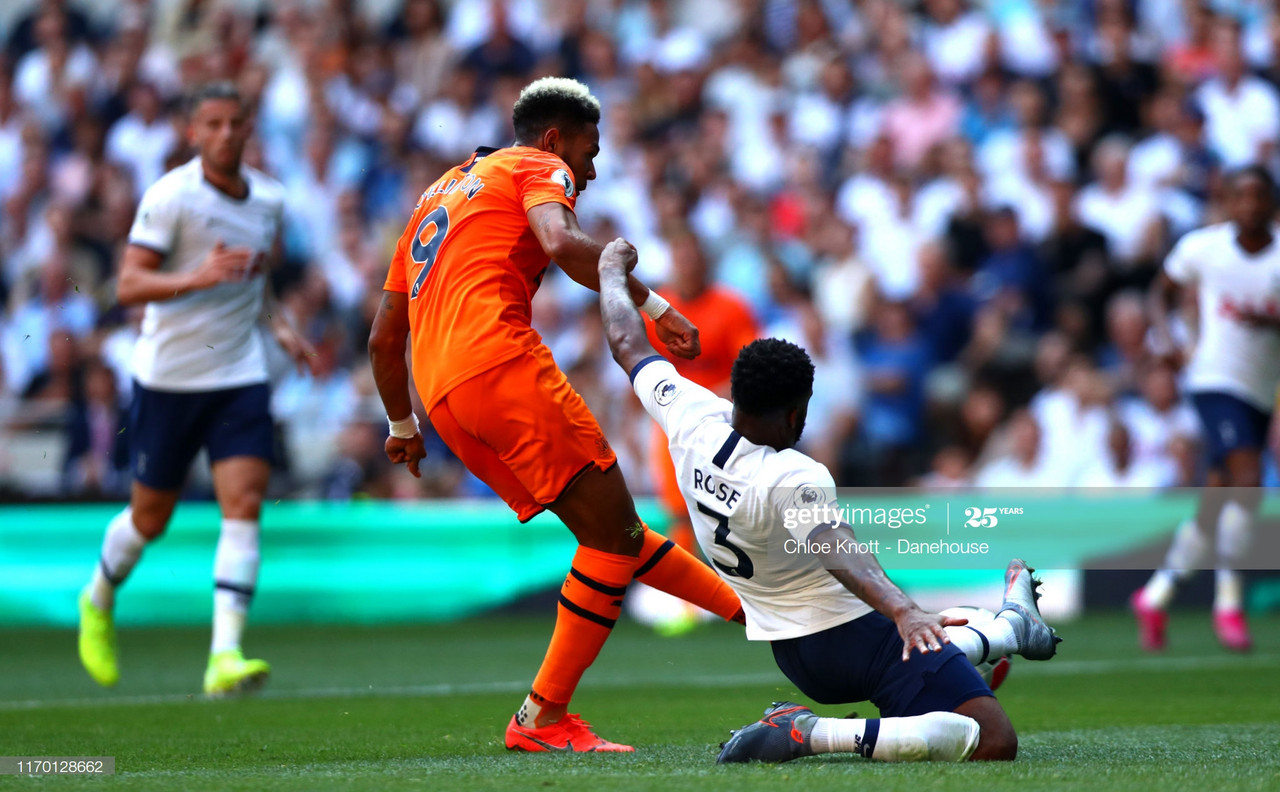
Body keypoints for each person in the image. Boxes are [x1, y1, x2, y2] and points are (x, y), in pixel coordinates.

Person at [367, 77, 745, 753]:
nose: (591, 170)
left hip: (444, 398)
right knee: (610, 537)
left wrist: (402, 426)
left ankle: (751, 614)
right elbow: (566, 244)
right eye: (589, 152)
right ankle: (541, 717)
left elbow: (381, 338)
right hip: (498, 364)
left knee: (616, 529)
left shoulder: (439, 194)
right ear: (554, 139)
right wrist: (656, 308)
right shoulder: (535, 166)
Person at [596, 237, 1060, 763]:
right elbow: (834, 545)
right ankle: (805, 733)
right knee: (992, 739)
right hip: (853, 637)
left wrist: (612, 271)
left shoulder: (689, 417)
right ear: (795, 413)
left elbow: (625, 341)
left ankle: (1010, 628)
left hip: (791, 649)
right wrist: (902, 609)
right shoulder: (791, 472)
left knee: (928, 648)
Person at [77, 83, 314, 696]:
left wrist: (282, 329)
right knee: (150, 518)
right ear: (192, 133)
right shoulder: (171, 197)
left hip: (238, 374)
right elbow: (126, 286)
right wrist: (196, 275)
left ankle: (224, 656)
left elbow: (254, 284)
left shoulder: (269, 199)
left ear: (249, 128)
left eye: (236, 122)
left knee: (244, 505)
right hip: (170, 378)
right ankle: (98, 599)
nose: (227, 134)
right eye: (213, 124)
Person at [1132, 165, 1280, 652]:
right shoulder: (1205, 248)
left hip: (1260, 391)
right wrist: (1168, 339)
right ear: (1228, 202)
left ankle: (1157, 593)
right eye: (1241, 197)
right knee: (1247, 478)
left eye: (1259, 197)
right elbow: (1162, 289)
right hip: (1214, 378)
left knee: (1217, 497)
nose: (1250, 206)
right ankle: (1229, 603)